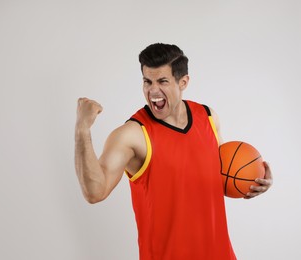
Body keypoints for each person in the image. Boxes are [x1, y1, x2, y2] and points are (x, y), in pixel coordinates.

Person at [74, 43, 273, 260]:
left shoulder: (208, 117)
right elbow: (94, 192)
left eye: (162, 81)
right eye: (147, 82)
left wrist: (253, 182)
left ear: (183, 82)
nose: (153, 91)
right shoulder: (132, 135)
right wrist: (82, 128)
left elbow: (218, 177)